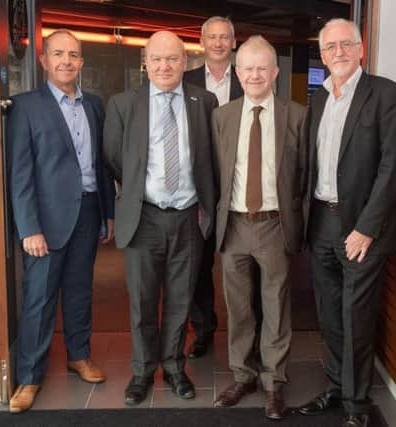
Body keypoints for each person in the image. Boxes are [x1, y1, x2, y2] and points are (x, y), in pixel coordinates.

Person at [298, 19, 396, 427]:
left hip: (361, 229)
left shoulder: (387, 94)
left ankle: (358, 405)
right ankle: (337, 387)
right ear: (323, 54)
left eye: (346, 44)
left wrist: (366, 227)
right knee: (329, 314)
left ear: (360, 49)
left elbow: (392, 165)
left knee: (357, 315)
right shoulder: (319, 99)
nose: (338, 52)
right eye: (330, 47)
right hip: (322, 224)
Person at [103, 31, 218, 406]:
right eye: (157, 59)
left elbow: (212, 159)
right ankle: (141, 372)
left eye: (172, 59)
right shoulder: (123, 104)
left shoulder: (205, 101)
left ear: (186, 63)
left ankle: (173, 366)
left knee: (181, 300)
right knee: (142, 299)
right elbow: (114, 158)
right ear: (145, 62)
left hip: (188, 217)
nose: (164, 66)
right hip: (144, 216)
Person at [6, 30, 115, 413]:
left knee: (79, 290)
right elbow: (19, 174)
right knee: (39, 299)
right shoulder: (25, 107)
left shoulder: (94, 105)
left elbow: (101, 166)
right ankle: (29, 377)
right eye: (59, 54)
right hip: (45, 220)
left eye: (74, 55)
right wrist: (28, 227)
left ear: (82, 62)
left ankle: (79, 355)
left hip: (88, 211)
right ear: (44, 60)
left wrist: (108, 213)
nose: (67, 61)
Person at [211, 35, 307, 420]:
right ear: (238, 72)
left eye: (262, 68)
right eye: (247, 68)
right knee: (238, 308)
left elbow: (306, 174)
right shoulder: (222, 116)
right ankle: (242, 375)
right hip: (233, 224)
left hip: (274, 224)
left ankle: (274, 383)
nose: (254, 75)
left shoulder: (297, 115)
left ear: (275, 72)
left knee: (276, 305)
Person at [182, 15, 244, 360]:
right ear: (202, 42)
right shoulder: (185, 79)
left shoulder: (248, 77)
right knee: (199, 265)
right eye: (213, 37)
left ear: (233, 42)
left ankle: (244, 333)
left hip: (239, 185)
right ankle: (203, 329)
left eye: (225, 37)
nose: (219, 43)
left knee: (241, 265)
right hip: (197, 188)